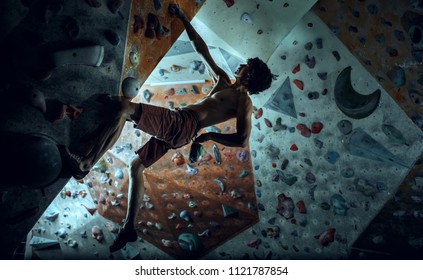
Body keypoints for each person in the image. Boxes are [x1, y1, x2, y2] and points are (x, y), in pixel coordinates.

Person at [64, 4, 275, 252]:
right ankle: (129, 227)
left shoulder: (244, 101)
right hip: (182, 130)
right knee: (136, 166)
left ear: (250, 76)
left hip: (184, 124)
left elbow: (241, 139)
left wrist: (208, 135)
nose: (240, 66)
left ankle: (85, 163)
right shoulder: (224, 82)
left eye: (246, 66)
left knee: (123, 108)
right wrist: (184, 18)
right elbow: (201, 49)